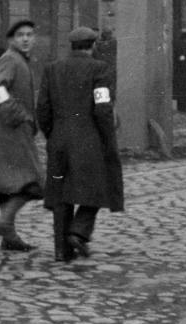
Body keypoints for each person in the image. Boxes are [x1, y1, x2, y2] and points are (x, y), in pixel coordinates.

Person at [36, 25, 124, 262]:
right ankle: (79, 232)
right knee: (97, 188)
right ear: (92, 46)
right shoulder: (99, 69)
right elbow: (103, 107)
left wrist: (51, 134)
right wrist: (107, 137)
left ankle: (61, 250)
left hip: (58, 141)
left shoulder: (52, 69)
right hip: (89, 140)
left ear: (72, 47)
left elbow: (42, 109)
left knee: (60, 194)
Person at [0, 19, 43, 253]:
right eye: (21, 35)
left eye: (30, 34)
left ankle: (8, 236)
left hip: (13, 130)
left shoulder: (20, 60)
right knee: (34, 183)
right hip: (10, 130)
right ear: (12, 39)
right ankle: (5, 223)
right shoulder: (10, 59)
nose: (26, 39)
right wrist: (21, 115)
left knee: (9, 183)